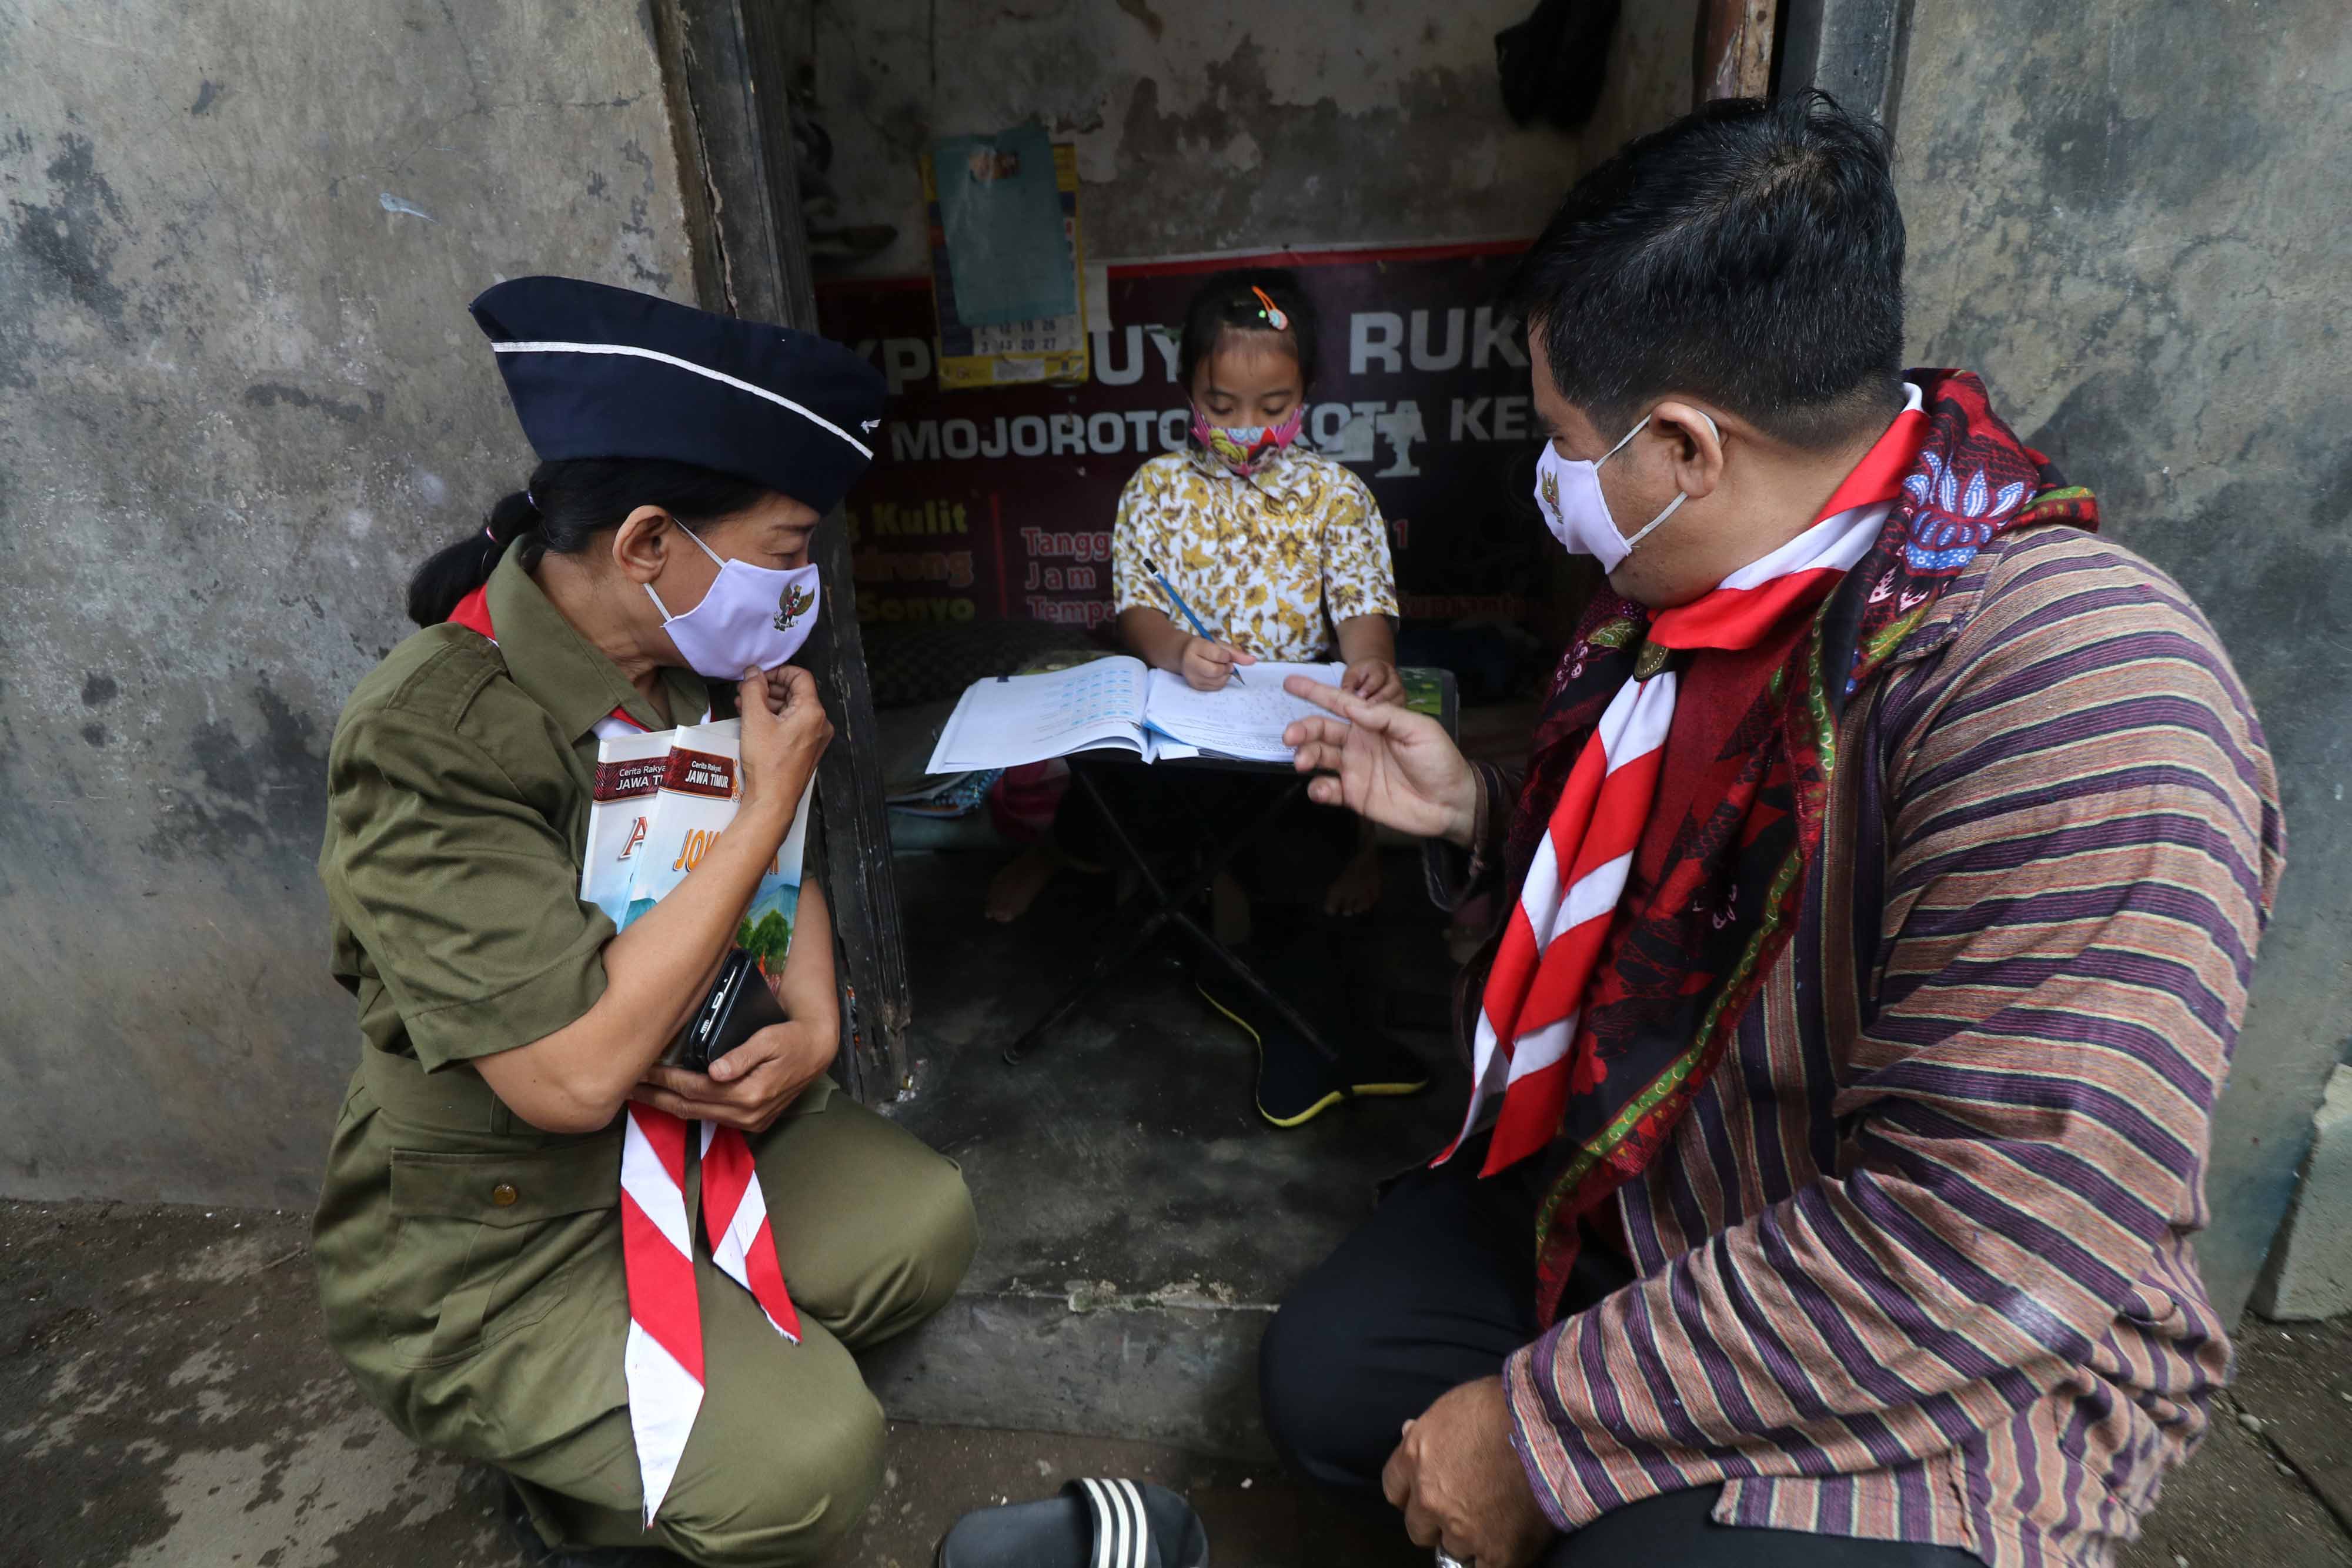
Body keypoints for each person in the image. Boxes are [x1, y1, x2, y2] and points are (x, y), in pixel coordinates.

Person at [1259, 94, 2282, 1568]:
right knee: (1336, 1388)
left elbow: (1982, 1238)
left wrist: (1538, 1431)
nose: (1549, 485)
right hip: (1662, 1200)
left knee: (1600, 1533)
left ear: (1680, 447)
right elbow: (1672, 909)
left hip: (1955, 1328)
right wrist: (1481, 815)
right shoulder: (1680, 600)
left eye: (1558, 442)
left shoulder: (2079, 685)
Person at [311, 276, 977, 1568]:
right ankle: (581, 1504)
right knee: (809, 1464)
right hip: (511, 1220)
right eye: (787, 549)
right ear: (649, 542)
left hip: (688, 1137)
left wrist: (818, 1021)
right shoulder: (426, 740)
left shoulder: (688, 662)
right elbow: (569, 1076)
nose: (803, 585)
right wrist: (764, 797)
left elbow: (780, 880)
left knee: (920, 1224)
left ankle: (713, 1378)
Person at [983, 268, 1404, 935]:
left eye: (1271, 408)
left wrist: (1371, 663)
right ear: (1188, 394)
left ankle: (1348, 853)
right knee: (1111, 803)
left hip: (1285, 729)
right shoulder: (1156, 488)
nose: (1245, 429)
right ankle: (1066, 855)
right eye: (1220, 405)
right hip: (1180, 720)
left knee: (1304, 841)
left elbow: (1360, 606)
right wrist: (1177, 652)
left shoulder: (1338, 495)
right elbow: (1138, 611)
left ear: (1306, 395)